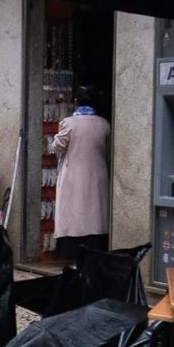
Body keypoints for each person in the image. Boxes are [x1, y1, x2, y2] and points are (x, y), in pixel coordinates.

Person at [50, 90, 113, 270]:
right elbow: (109, 151)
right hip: (99, 175)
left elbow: (58, 147)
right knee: (95, 214)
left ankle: (74, 253)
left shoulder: (69, 123)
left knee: (75, 215)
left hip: (74, 176)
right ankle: (95, 250)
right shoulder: (104, 124)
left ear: (76, 103)